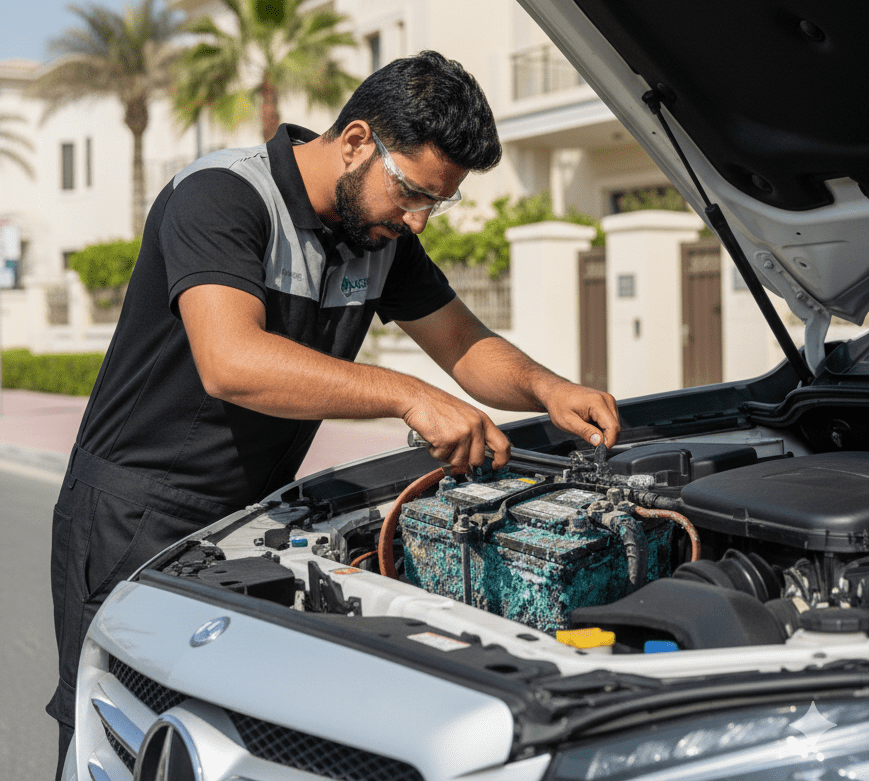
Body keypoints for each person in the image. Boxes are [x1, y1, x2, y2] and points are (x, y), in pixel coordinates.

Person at [46, 50, 620, 776]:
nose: (417, 219)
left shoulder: (381, 234)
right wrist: (407, 394)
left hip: (251, 517)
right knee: (118, 732)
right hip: (134, 512)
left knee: (234, 736)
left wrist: (548, 389)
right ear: (355, 142)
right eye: (411, 191)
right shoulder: (221, 196)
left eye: (436, 203)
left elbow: (464, 344)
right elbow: (233, 362)